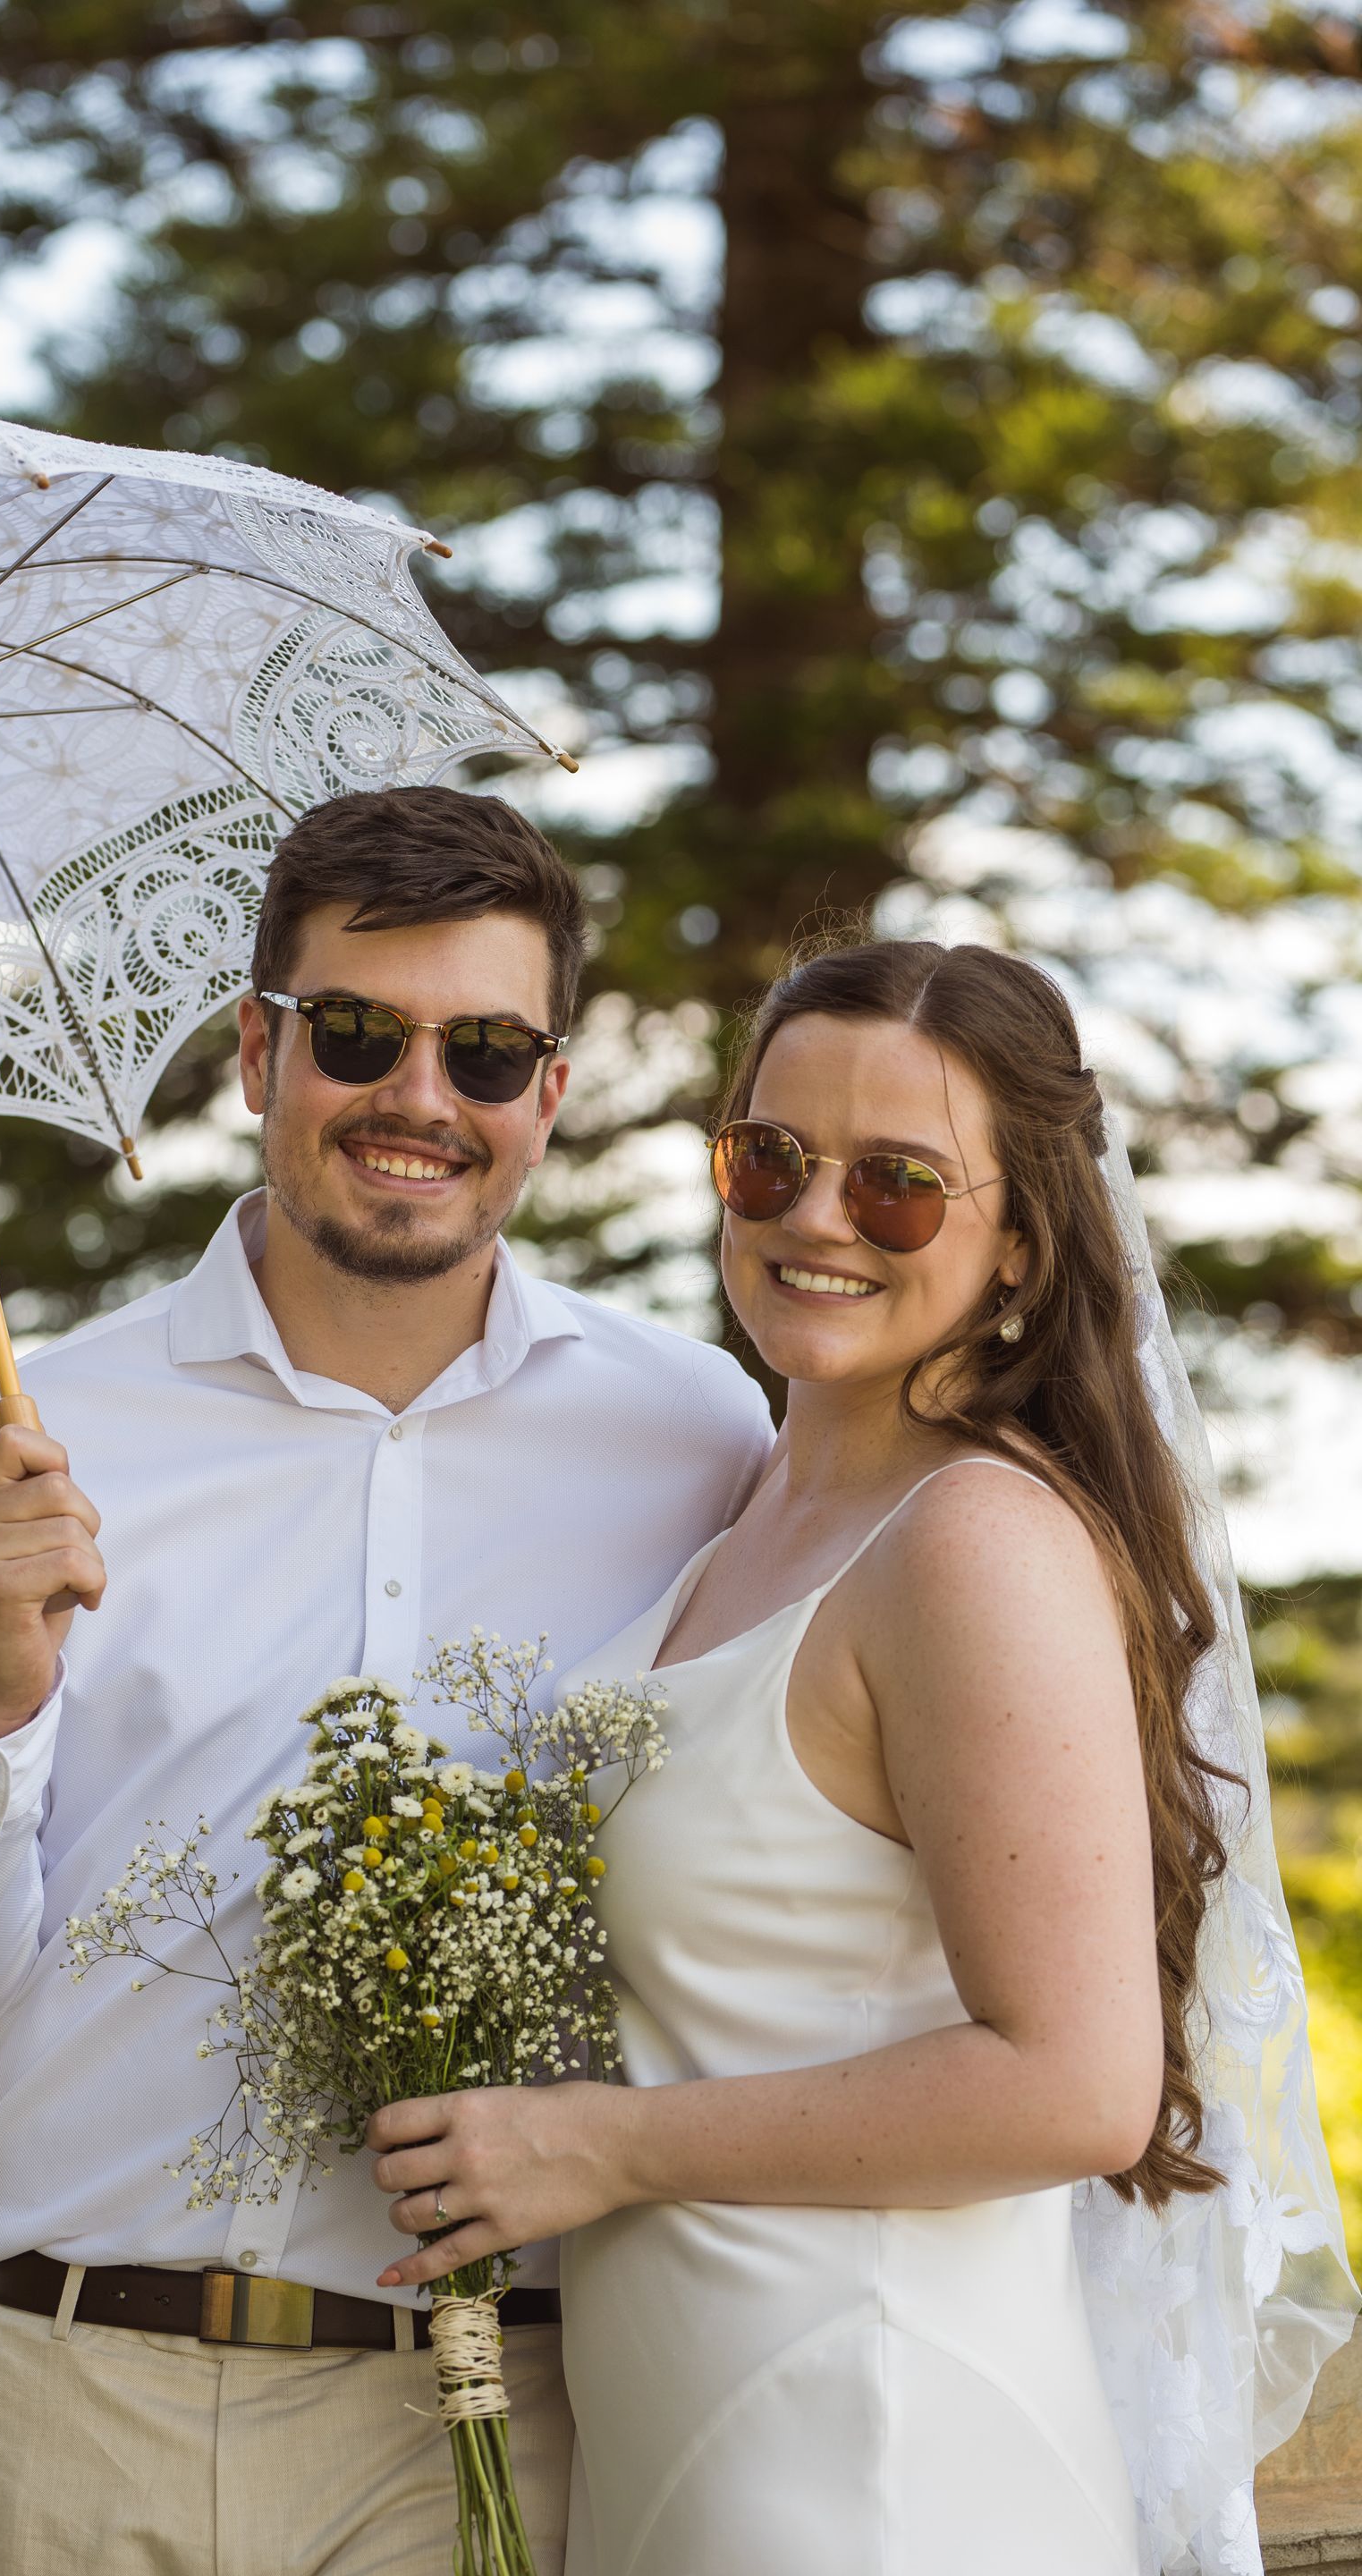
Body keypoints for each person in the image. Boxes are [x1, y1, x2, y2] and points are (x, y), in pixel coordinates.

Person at [0, 784, 774, 2576]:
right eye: (357, 1034)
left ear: (550, 1096)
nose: (422, 1099)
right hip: (68, 2406)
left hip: (490, 2420)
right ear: (257, 1053)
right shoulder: (30, 1441)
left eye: (486, 1050)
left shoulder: (699, 1439)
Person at [366, 935, 1356, 2576]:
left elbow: (1078, 2085)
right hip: (699, 2431)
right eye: (770, 1160)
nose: (813, 1218)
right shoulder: (754, 1510)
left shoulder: (972, 1541)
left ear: (1024, 1242)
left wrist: (598, 2144)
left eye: (899, 1186)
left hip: (875, 2454)